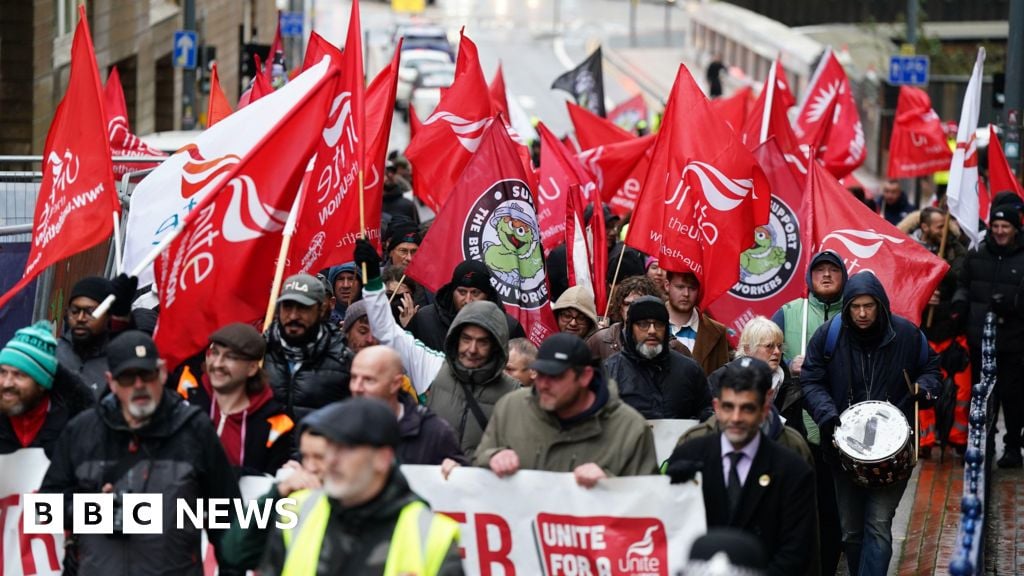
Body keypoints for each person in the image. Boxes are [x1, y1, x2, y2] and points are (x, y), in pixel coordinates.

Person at [41, 331, 242, 575]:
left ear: (163, 372)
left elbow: (228, 519)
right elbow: (44, 509)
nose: (139, 385)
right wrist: (95, 509)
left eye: (147, 374)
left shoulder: (195, 430)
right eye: (127, 378)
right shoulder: (82, 431)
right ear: (111, 381)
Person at [801, 272, 940, 576]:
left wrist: (926, 388)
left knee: (877, 524)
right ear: (847, 307)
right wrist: (826, 414)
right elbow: (811, 380)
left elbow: (931, 367)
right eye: (856, 307)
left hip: (893, 452)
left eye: (869, 306)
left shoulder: (906, 334)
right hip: (842, 451)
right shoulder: (828, 336)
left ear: (881, 305)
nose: (862, 313)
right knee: (851, 531)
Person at [260, 398, 463, 575]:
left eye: (346, 449)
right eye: (329, 449)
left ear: (382, 459)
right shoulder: (298, 510)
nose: (332, 460)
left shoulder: (432, 535)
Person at [354, 239, 520, 457]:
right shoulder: (434, 367)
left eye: (482, 342)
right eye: (466, 338)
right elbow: (387, 333)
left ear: (497, 345)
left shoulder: (514, 393)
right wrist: (373, 282)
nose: (471, 349)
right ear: (454, 338)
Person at [667, 358, 817, 576]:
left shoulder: (791, 469)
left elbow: (797, 550)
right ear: (717, 407)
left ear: (764, 410)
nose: (736, 418)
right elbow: (670, 531)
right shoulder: (689, 455)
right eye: (729, 407)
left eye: (747, 408)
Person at [471, 333, 658, 484]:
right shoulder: (511, 408)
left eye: (556, 376)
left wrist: (609, 486)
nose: (543, 384)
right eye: (541, 373)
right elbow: (476, 468)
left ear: (585, 377)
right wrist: (492, 457)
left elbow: (649, 503)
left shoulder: (630, 430)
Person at [770, 249, 847, 576]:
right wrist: (788, 366)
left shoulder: (859, 311)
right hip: (800, 425)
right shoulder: (789, 314)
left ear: (844, 276)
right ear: (809, 277)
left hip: (844, 427)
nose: (826, 275)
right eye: (820, 270)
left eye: (833, 269)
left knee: (836, 515)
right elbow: (766, 362)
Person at [953, 200, 1024, 468]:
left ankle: (1013, 447)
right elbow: (964, 284)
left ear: (1015, 228)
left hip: (1013, 341)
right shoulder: (977, 255)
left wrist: (1012, 304)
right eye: (995, 225)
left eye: (1005, 226)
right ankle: (985, 444)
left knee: (1011, 396)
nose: (1000, 231)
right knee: (981, 395)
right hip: (980, 338)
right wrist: (960, 304)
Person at [179, 323, 294, 476]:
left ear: (252, 368)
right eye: (215, 353)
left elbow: (270, 484)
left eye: (230, 357)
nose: (218, 364)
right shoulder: (185, 399)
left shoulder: (275, 425)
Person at [914, 206, 970, 458]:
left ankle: (958, 437)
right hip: (924, 334)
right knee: (923, 389)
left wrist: (944, 302)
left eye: (943, 226)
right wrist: (925, 299)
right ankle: (925, 439)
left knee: (963, 391)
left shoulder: (958, 251)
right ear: (924, 228)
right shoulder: (911, 250)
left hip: (952, 333)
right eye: (938, 226)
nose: (942, 230)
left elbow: (963, 284)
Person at [350, 345, 466, 466]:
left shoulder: (433, 432)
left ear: (395, 384)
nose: (356, 388)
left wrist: (455, 470)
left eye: (369, 380)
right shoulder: (338, 425)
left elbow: (464, 479)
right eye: (353, 378)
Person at [603, 296, 711, 419]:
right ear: (630, 329)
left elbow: (707, 413)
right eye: (643, 324)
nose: (652, 331)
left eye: (659, 324)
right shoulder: (610, 371)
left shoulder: (689, 370)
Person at [264, 273, 352, 423]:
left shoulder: (343, 360)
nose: (293, 316)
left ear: (321, 310)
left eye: (302, 308)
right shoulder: (261, 353)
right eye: (287, 306)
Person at [0, 322, 94, 456]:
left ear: (41, 384)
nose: (7, 383)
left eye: (19, 375)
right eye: (2, 372)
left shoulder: (75, 428)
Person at [406, 259, 526, 350]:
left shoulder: (508, 327)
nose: (468, 300)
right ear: (453, 291)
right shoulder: (425, 320)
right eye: (462, 292)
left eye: (475, 293)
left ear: (487, 294)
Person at [56, 274, 137, 398]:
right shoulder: (53, 352)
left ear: (108, 315)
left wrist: (124, 315)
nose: (80, 318)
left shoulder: (117, 360)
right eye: (75, 311)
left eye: (91, 312)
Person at [588, 275, 691, 361]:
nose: (633, 309)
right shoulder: (600, 341)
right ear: (620, 307)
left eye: (640, 304)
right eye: (628, 304)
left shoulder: (675, 348)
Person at [665, 271, 730, 375]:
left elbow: (722, 380)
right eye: (680, 287)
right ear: (667, 286)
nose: (686, 294)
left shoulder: (716, 331)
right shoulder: (651, 325)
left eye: (692, 288)